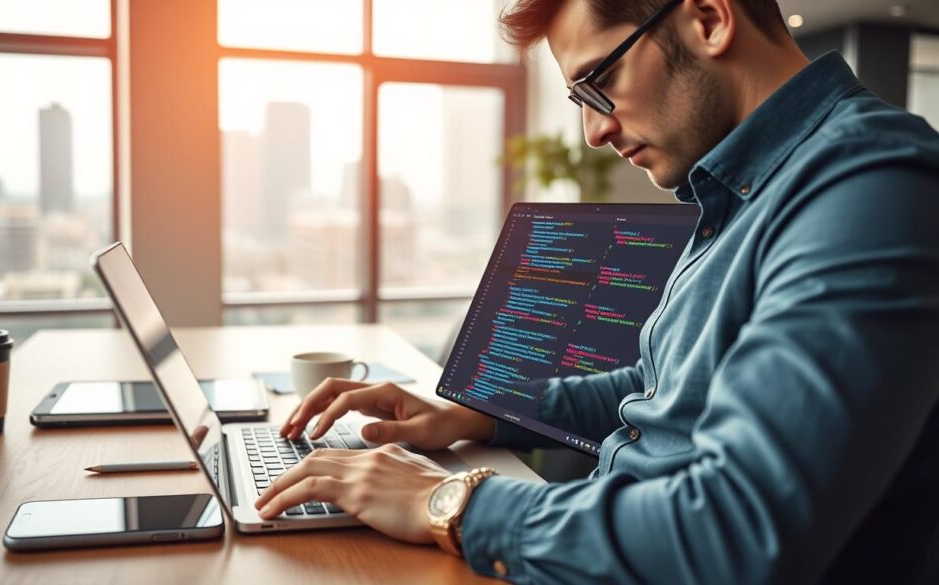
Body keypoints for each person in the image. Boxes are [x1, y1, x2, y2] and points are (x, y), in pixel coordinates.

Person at [254, 0, 939, 582]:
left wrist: (453, 501)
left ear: (707, 18)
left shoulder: (873, 185)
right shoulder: (732, 192)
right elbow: (658, 387)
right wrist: (484, 410)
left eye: (599, 81)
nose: (594, 130)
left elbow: (738, 530)